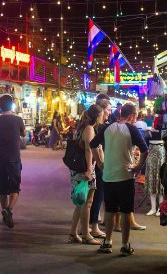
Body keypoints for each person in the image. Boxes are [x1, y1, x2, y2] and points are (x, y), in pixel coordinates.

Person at [90, 102, 149, 256]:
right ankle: (125, 245)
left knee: (109, 210)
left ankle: (107, 242)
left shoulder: (106, 128)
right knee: (125, 211)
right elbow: (144, 150)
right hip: (126, 175)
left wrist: (101, 163)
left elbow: (93, 145)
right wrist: (137, 166)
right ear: (131, 116)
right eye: (135, 117)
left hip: (108, 176)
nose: (135, 120)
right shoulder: (131, 129)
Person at [0, 94, 25, 228]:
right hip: (14, 158)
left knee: (2, 188)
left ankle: (5, 212)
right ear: (12, 105)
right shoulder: (18, 120)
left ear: (0, 106)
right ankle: (8, 210)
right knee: (15, 187)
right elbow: (23, 135)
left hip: (0, 158)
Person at [68, 105, 103, 245]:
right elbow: (88, 150)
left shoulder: (81, 127)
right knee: (87, 203)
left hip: (78, 169)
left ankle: (73, 233)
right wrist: (89, 169)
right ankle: (87, 235)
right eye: (101, 115)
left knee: (80, 202)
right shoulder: (89, 129)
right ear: (97, 116)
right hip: (85, 169)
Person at [89, 94, 111, 238]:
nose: (110, 112)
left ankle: (88, 225)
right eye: (108, 109)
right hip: (97, 165)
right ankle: (94, 226)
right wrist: (101, 164)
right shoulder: (99, 128)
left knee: (93, 197)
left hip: (95, 164)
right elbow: (95, 148)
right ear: (102, 110)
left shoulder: (95, 127)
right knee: (97, 195)